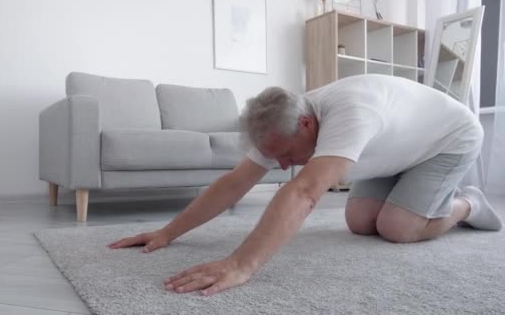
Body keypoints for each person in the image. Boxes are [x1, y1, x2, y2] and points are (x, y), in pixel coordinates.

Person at [108, 74, 502, 297]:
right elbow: (234, 183)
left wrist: (240, 264)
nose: (280, 165)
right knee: (362, 222)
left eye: (285, 154)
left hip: (447, 141)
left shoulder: (351, 113)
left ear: (307, 125)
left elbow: (303, 193)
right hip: (397, 149)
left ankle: (468, 203)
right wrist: (168, 232)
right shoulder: (285, 120)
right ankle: (419, 196)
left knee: (397, 228)